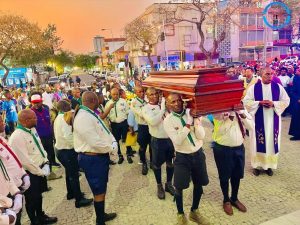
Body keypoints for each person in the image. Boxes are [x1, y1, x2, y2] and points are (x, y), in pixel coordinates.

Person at [163, 93, 209, 225]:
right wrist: (188, 124)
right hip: (182, 157)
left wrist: (196, 122)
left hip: (198, 154)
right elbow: (177, 140)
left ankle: (194, 211)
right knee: (179, 187)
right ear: (168, 104)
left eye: (178, 100)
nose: (177, 104)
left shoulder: (192, 113)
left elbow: (201, 136)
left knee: (199, 185)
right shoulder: (168, 121)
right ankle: (180, 214)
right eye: (173, 102)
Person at [73, 91, 117, 225]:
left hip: (98, 157)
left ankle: (101, 215)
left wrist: (112, 141)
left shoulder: (89, 113)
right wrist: (111, 148)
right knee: (98, 190)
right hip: (93, 158)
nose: (101, 101)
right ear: (94, 100)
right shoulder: (83, 117)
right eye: (99, 99)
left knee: (101, 188)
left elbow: (103, 131)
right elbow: (95, 142)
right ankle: (100, 220)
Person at [9, 109, 57, 225]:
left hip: (39, 169)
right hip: (30, 173)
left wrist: (45, 161)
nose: (37, 119)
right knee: (31, 199)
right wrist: (41, 172)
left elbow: (40, 147)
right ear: (25, 121)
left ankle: (41, 216)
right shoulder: (17, 137)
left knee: (39, 196)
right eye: (34, 118)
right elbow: (25, 161)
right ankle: (34, 221)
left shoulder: (32, 129)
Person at [243, 68, 290, 176]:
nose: (270, 76)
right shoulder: (254, 88)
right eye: (267, 74)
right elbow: (246, 101)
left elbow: (286, 100)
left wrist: (274, 104)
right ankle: (256, 166)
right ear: (261, 75)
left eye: (271, 74)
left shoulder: (278, 87)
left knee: (270, 142)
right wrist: (259, 103)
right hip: (258, 121)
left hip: (273, 121)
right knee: (256, 142)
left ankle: (269, 166)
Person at [212, 110, 253, 216]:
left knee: (237, 175)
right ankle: (226, 200)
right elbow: (221, 131)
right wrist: (231, 116)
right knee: (224, 176)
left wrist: (241, 114)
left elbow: (251, 127)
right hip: (223, 148)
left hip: (239, 148)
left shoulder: (241, 110)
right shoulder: (218, 112)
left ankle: (234, 198)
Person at [54, 100, 93, 208]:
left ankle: (71, 193)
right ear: (66, 108)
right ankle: (79, 200)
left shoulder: (59, 117)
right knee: (74, 175)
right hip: (67, 151)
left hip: (60, 150)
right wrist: (77, 148)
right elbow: (68, 136)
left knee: (69, 173)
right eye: (70, 107)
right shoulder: (64, 119)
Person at [142, 87, 175, 199]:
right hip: (157, 140)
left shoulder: (165, 105)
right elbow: (153, 122)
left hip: (170, 139)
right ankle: (159, 185)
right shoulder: (146, 108)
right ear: (147, 96)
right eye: (151, 94)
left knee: (170, 163)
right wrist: (162, 109)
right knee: (157, 165)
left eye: (156, 93)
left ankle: (169, 184)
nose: (154, 96)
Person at [0, 116, 30, 225]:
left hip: (12, 188)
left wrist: (23, 175)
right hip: (3, 198)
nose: (3, 122)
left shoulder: (2, 140)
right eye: (0, 121)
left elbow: (10, 164)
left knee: (18, 218)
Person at [29, 92, 61, 180]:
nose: (36, 104)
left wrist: (53, 135)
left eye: (38, 102)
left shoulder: (46, 109)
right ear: (31, 102)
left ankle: (50, 173)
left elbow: (50, 123)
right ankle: (44, 176)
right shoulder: (30, 113)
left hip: (49, 136)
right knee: (43, 157)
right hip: (39, 139)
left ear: (41, 101)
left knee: (50, 155)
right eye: (34, 102)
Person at [105, 88, 131, 164]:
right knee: (116, 140)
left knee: (126, 139)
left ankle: (129, 154)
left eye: (117, 94)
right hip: (114, 124)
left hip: (124, 123)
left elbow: (128, 113)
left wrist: (129, 124)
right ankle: (120, 156)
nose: (116, 96)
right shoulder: (108, 104)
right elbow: (107, 115)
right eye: (114, 94)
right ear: (111, 94)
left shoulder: (123, 102)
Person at [131, 86, 152, 175]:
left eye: (143, 91)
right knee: (142, 147)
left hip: (151, 125)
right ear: (135, 93)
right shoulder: (134, 102)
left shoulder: (147, 99)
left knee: (152, 146)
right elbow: (142, 114)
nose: (142, 93)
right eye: (139, 92)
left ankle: (152, 162)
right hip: (143, 127)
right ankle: (144, 163)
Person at [288, 67, 300, 140]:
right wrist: (297, 99)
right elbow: (292, 91)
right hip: (298, 102)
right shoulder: (296, 79)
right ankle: (297, 135)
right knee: (297, 118)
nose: (297, 71)